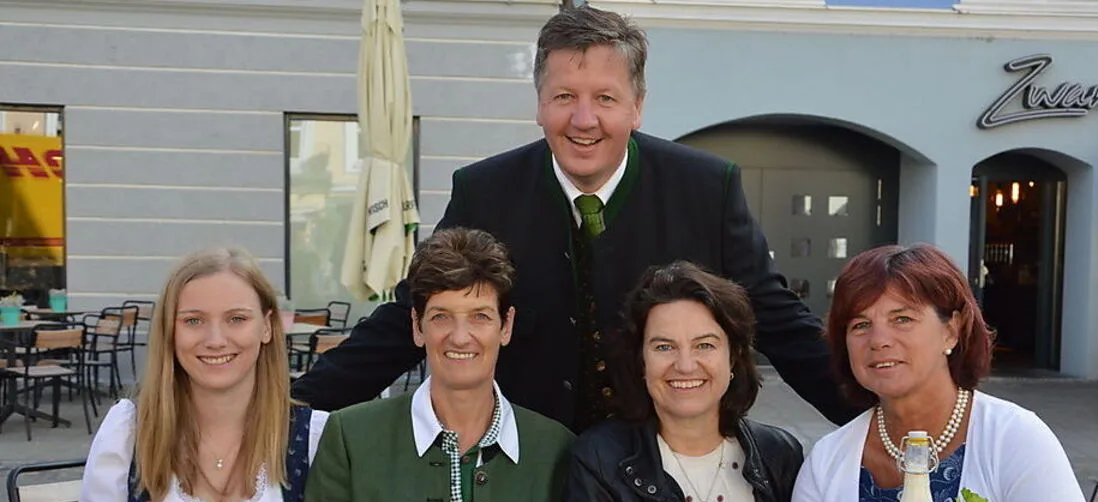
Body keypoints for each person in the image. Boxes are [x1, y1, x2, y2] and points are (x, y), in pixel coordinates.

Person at [292, 5, 858, 433]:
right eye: (564, 96)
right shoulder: (484, 190)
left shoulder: (707, 187)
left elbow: (779, 321)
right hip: (528, 465)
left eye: (605, 98)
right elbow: (407, 319)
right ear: (539, 103)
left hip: (660, 465)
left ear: (637, 106)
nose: (583, 119)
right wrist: (290, 413)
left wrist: (868, 418)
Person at [292, 229, 575, 502]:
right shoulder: (351, 438)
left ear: (506, 326)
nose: (460, 337)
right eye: (441, 316)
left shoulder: (555, 449)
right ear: (417, 326)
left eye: (480, 316)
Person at [787, 243, 1088, 502]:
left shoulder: (1016, 439)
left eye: (903, 319)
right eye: (860, 325)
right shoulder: (826, 461)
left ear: (952, 330)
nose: (879, 340)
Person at [64, 247, 328, 502]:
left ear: (267, 327)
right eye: (193, 321)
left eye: (237, 318)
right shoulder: (129, 431)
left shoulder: (311, 437)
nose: (215, 339)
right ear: (170, 331)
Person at [556, 261, 803, 502]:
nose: (685, 364)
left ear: (733, 356)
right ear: (641, 361)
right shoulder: (599, 460)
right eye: (664, 346)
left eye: (705, 344)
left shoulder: (780, 456)